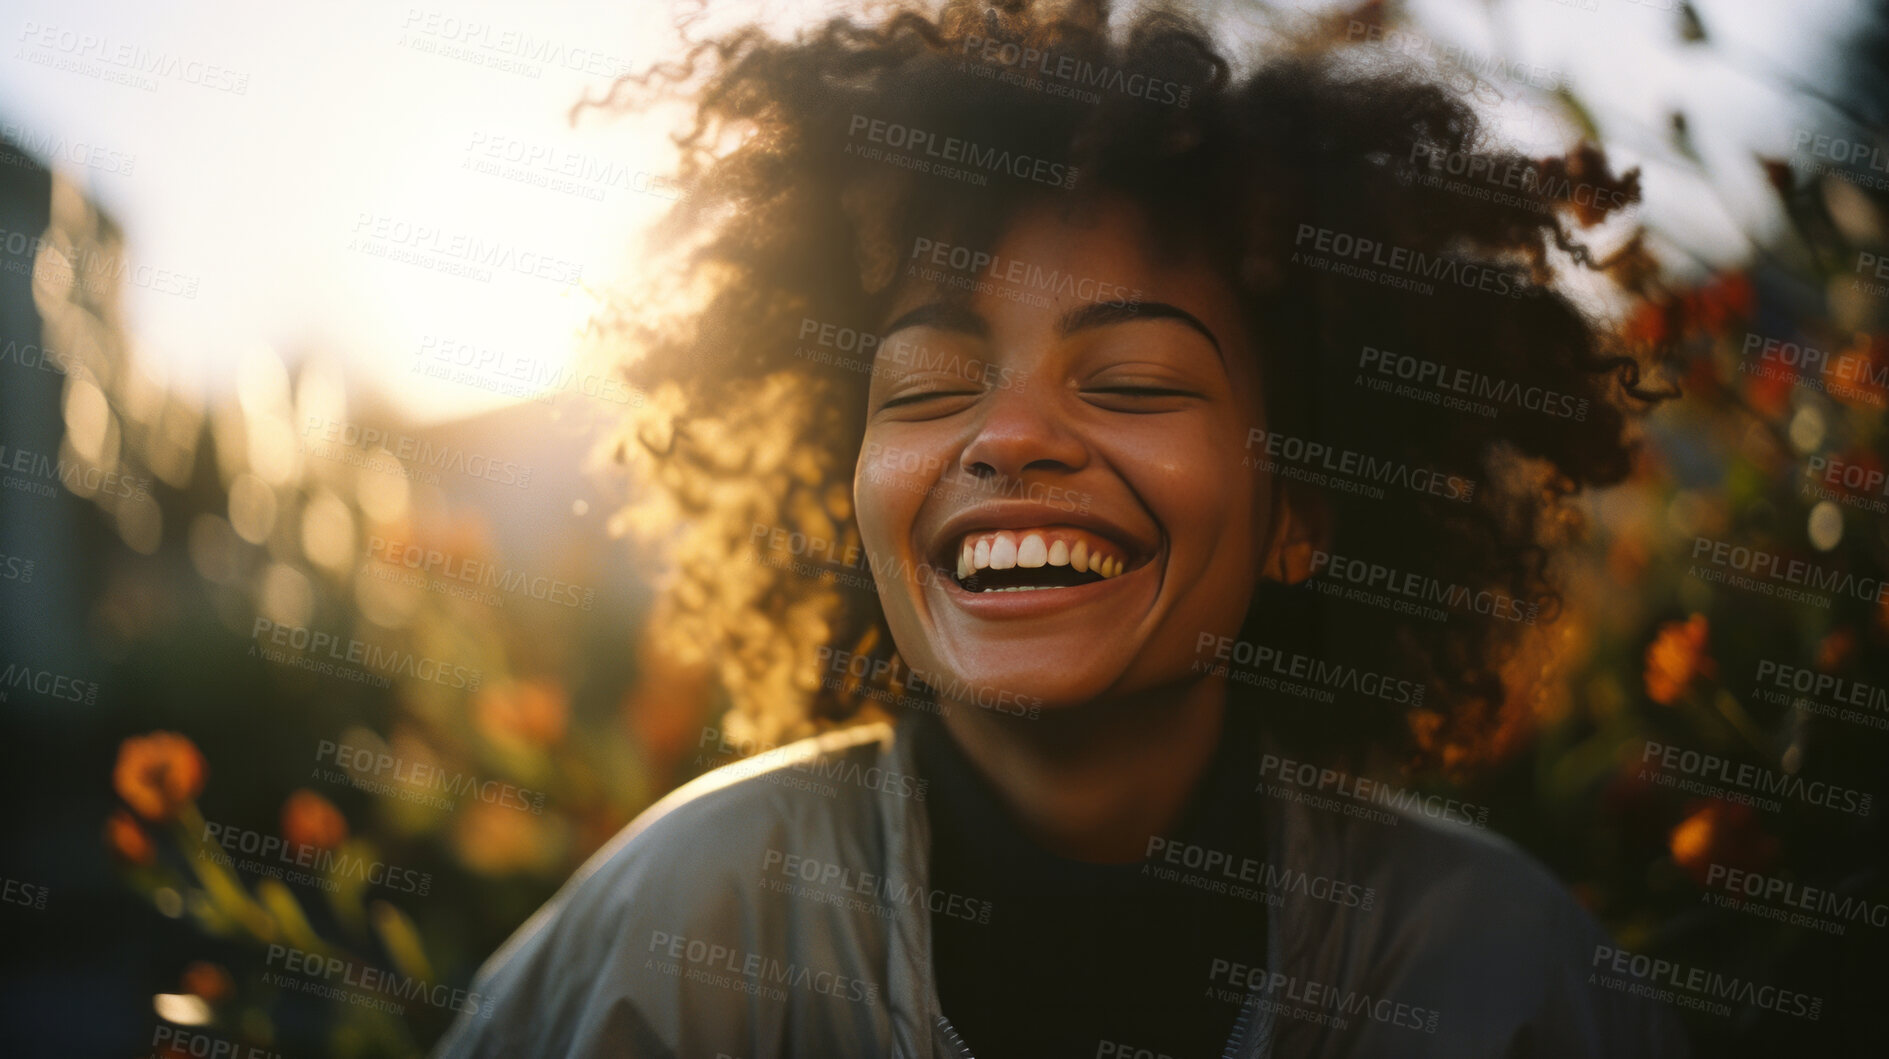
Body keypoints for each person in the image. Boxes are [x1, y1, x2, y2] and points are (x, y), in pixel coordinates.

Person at [437, 1, 1687, 1054]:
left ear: (1295, 514)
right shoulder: (673, 942)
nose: (1006, 437)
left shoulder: (1503, 975)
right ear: (850, 496)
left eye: (1134, 381)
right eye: (926, 389)